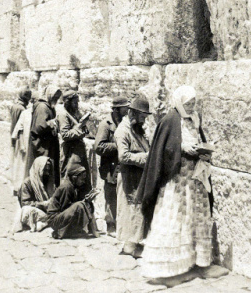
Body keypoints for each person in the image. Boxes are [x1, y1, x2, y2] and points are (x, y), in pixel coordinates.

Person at [137, 86, 227, 284]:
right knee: (176, 219)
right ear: (179, 102)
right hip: (177, 182)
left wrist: (203, 150)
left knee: (197, 220)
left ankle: (201, 264)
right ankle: (167, 269)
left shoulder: (193, 120)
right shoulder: (169, 120)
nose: (191, 106)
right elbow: (164, 151)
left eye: (193, 103)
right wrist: (183, 149)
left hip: (195, 180)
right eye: (188, 103)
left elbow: (198, 140)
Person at [114, 94, 151, 257]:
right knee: (130, 210)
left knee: (137, 210)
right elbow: (123, 156)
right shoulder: (122, 131)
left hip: (139, 177)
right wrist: (146, 157)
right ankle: (130, 247)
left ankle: (135, 243)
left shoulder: (137, 129)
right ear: (132, 114)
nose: (143, 120)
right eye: (142, 117)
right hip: (129, 177)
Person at [94, 96, 130, 236]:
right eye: (124, 108)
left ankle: (120, 224)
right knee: (110, 196)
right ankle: (111, 226)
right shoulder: (106, 124)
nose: (126, 110)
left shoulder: (124, 122)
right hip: (110, 167)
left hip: (121, 165)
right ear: (116, 109)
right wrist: (117, 146)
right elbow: (98, 146)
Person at [44, 163, 99, 239]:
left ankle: (72, 231)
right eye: (82, 179)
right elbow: (66, 209)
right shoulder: (66, 187)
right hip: (54, 220)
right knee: (79, 205)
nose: (83, 181)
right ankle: (60, 232)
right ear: (74, 177)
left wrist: (87, 201)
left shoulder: (74, 187)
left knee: (87, 205)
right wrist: (83, 202)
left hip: (61, 217)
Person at [27, 86, 62, 192]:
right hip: (43, 147)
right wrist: (52, 124)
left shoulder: (49, 107)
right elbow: (40, 126)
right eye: (54, 97)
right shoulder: (43, 107)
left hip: (48, 145)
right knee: (44, 172)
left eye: (57, 98)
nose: (56, 100)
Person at [10, 156, 53, 234]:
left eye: (48, 170)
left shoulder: (47, 181)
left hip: (44, 212)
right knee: (26, 210)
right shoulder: (27, 183)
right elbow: (25, 203)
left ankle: (42, 223)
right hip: (33, 210)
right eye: (45, 170)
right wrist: (43, 204)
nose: (47, 173)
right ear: (38, 169)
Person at [57, 90, 90, 179]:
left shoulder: (74, 112)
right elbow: (65, 135)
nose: (77, 104)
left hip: (79, 151)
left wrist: (84, 125)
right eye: (75, 102)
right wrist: (80, 128)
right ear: (68, 102)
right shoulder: (63, 114)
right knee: (69, 178)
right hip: (69, 152)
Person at [11, 91, 37, 195]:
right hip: (24, 144)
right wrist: (21, 144)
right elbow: (19, 129)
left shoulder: (37, 113)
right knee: (21, 167)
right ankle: (18, 188)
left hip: (31, 145)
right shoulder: (25, 113)